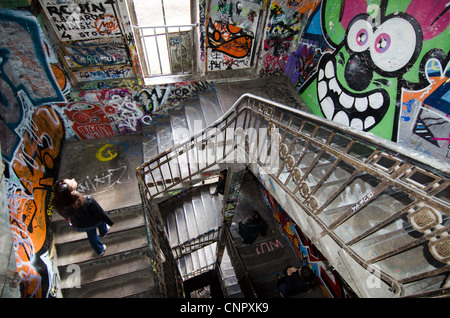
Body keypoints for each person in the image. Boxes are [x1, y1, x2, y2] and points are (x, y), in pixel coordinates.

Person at [53, 178, 114, 256]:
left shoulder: (59, 205)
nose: (73, 179)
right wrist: (109, 222)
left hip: (80, 225)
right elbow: (100, 213)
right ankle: (104, 232)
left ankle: (100, 250)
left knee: (91, 235)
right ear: (72, 192)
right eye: (71, 182)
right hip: (94, 221)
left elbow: (66, 216)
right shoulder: (87, 200)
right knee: (101, 221)